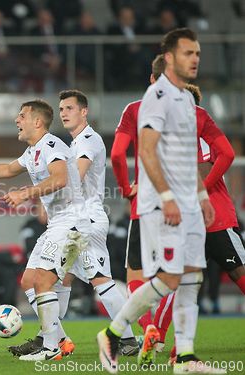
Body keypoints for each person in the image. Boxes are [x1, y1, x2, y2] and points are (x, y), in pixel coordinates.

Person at [97, 28, 225, 374]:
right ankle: (111, 333)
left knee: (191, 277)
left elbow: (185, 159)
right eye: (187, 53)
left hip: (189, 204)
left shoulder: (186, 99)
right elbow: (148, 152)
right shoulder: (158, 96)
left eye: (197, 53)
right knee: (169, 278)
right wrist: (167, 197)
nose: (195, 58)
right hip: (161, 205)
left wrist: (201, 196)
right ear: (169, 58)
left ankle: (185, 357)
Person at [0, 100, 90, 361]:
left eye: (22, 115)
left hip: (73, 224)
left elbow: (60, 178)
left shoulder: (52, 145)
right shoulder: (32, 152)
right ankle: (60, 339)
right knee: (29, 281)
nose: (17, 120)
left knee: (43, 281)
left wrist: (27, 192)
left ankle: (51, 348)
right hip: (57, 225)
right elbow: (5, 169)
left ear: (37, 122)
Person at [153, 84, 245, 363]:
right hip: (213, 218)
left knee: (179, 283)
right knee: (238, 271)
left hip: (190, 219)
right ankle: (169, 344)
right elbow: (224, 158)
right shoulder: (197, 133)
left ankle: (157, 336)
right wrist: (201, 189)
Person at [58, 90, 138, 356]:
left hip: (87, 220)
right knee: (61, 277)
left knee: (99, 281)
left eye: (70, 108)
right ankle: (53, 337)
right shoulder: (76, 142)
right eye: (61, 109)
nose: (64, 113)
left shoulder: (87, 140)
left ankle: (127, 338)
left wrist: (44, 186)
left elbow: (76, 176)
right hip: (80, 218)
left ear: (84, 112)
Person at [110, 53, 166, 335]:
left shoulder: (136, 109)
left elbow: (118, 154)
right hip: (182, 203)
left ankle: (148, 328)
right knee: (179, 275)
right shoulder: (190, 112)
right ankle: (171, 341)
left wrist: (125, 189)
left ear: (151, 79)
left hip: (145, 203)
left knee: (135, 273)